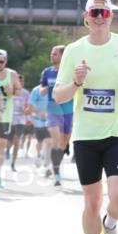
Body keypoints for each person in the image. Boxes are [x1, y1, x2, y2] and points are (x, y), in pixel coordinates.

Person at [53, 0, 118, 234]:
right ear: (86, 17)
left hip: (116, 133)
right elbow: (58, 95)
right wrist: (77, 82)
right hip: (86, 136)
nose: (100, 17)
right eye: (95, 12)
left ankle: (110, 225)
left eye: (104, 12)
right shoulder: (74, 51)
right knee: (92, 202)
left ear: (111, 17)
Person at [0, 48, 21, 188]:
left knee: (0, 146)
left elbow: (19, 91)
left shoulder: (12, 74)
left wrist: (12, 91)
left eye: (1, 62)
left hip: (5, 116)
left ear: (5, 61)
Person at [40, 45, 74, 187]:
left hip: (68, 110)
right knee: (56, 141)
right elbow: (41, 89)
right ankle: (56, 174)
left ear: (62, 55)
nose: (51, 55)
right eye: (51, 53)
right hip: (53, 109)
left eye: (54, 54)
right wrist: (46, 89)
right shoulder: (47, 72)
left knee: (63, 144)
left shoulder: (70, 71)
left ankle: (55, 167)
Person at [26, 82, 52, 170]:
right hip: (38, 121)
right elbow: (29, 108)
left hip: (50, 120)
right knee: (39, 141)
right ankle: (39, 155)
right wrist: (39, 111)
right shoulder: (36, 90)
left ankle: (47, 165)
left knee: (49, 142)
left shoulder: (53, 89)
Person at [7, 74, 29, 171]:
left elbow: (29, 106)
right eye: (18, 81)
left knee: (16, 141)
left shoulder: (26, 93)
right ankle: (7, 150)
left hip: (21, 121)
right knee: (9, 142)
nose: (20, 83)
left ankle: (13, 163)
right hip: (9, 121)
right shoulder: (9, 92)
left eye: (22, 81)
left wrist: (26, 111)